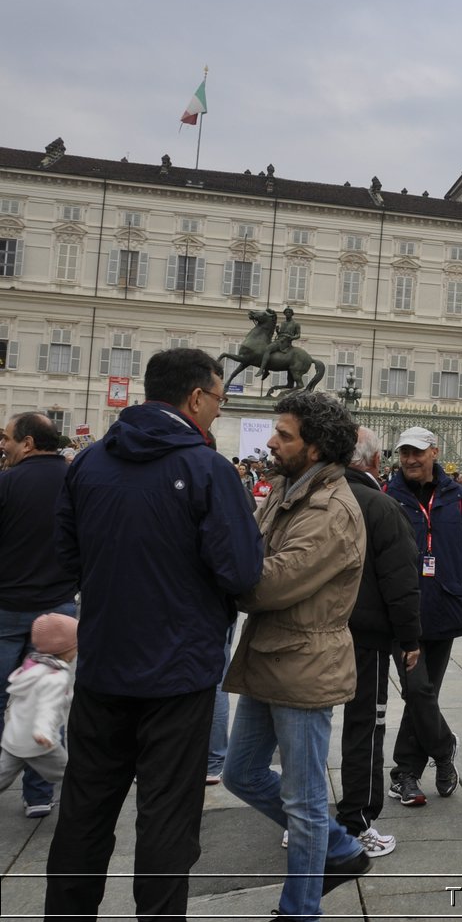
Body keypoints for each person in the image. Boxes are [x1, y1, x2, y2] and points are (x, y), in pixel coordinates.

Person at [46, 348, 263, 921]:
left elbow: (66, 557)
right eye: (219, 399)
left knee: (84, 813)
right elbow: (241, 574)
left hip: (103, 666)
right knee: (167, 818)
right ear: (196, 398)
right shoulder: (207, 468)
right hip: (180, 671)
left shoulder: (89, 463)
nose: (219, 411)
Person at [223, 391, 371, 918]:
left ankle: (299, 909)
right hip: (270, 652)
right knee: (241, 774)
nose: (272, 441)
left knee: (304, 801)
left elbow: (269, 582)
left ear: (314, 447)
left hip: (306, 661)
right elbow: (253, 551)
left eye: (284, 434)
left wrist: (222, 576)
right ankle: (341, 847)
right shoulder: (288, 488)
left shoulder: (333, 509)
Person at [385, 426, 462, 807]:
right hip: (402, 613)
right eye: (404, 453)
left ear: (434, 453)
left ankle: (406, 773)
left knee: (424, 693)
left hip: (444, 607)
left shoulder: (457, 496)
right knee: (418, 690)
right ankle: (443, 751)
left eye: (417, 452)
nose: (410, 460)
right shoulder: (388, 496)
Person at [336, 426, 422, 857]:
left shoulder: (320, 496)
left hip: (315, 628)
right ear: (373, 460)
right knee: (364, 726)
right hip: (365, 635)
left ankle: (302, 821)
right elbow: (401, 581)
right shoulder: (380, 505)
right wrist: (409, 639)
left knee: (305, 730)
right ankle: (356, 822)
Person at [0, 412, 77, 817]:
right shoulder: (75, 480)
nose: (3, 445)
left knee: (3, 699)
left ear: (28, 443)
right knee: (50, 701)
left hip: (7, 607)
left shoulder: (6, 482)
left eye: (8, 439)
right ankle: (39, 793)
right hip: (60, 607)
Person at [0, 613, 76, 796]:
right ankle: (84, 803)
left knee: (2, 776)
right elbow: (47, 709)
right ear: (65, 649)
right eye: (75, 645)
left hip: (14, 739)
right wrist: (43, 732)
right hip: (39, 745)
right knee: (71, 775)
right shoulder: (55, 678)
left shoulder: (31, 667)